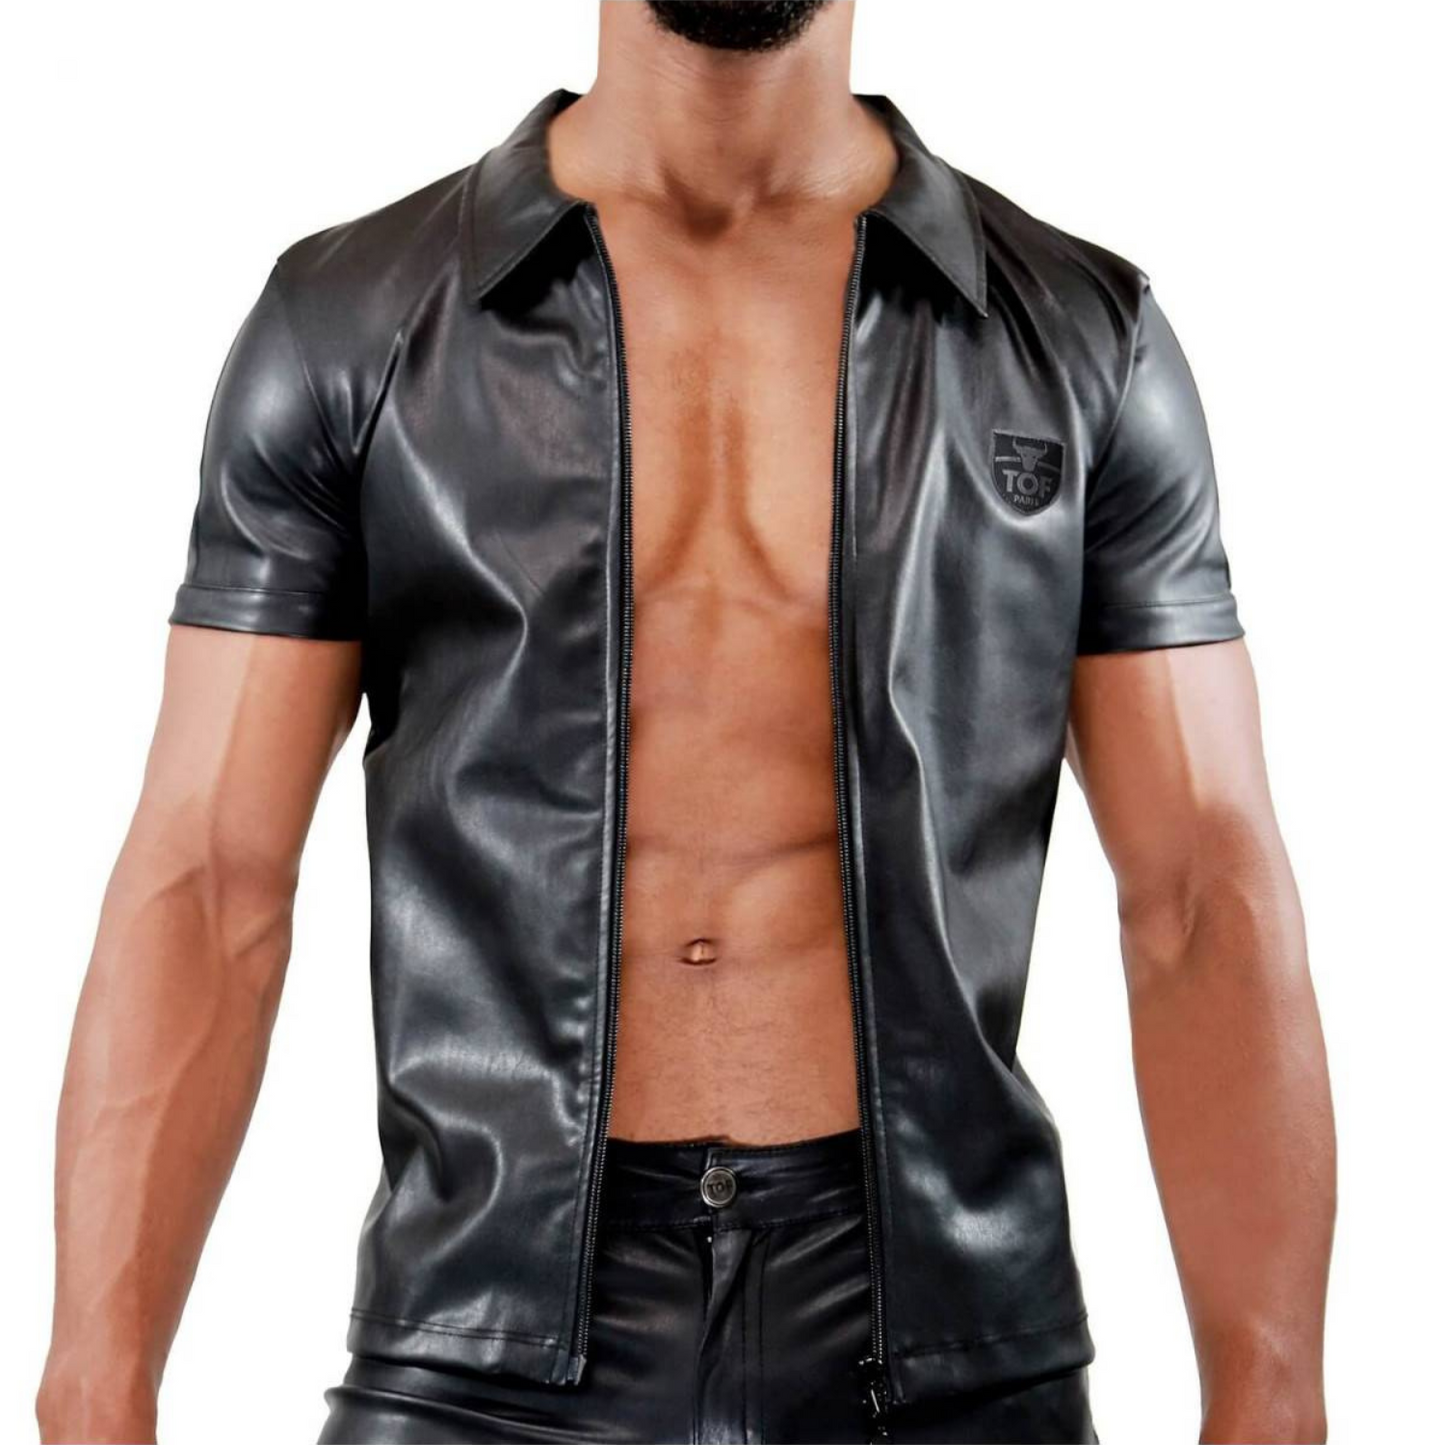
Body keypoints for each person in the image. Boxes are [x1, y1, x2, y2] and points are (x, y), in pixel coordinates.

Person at [36, 3, 1336, 1442]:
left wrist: (1271, 1387)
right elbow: (210, 875)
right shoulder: (353, 323)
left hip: (945, 1343)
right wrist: (95, 1382)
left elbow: (1202, 890)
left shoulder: (1083, 339)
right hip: (486, 1339)